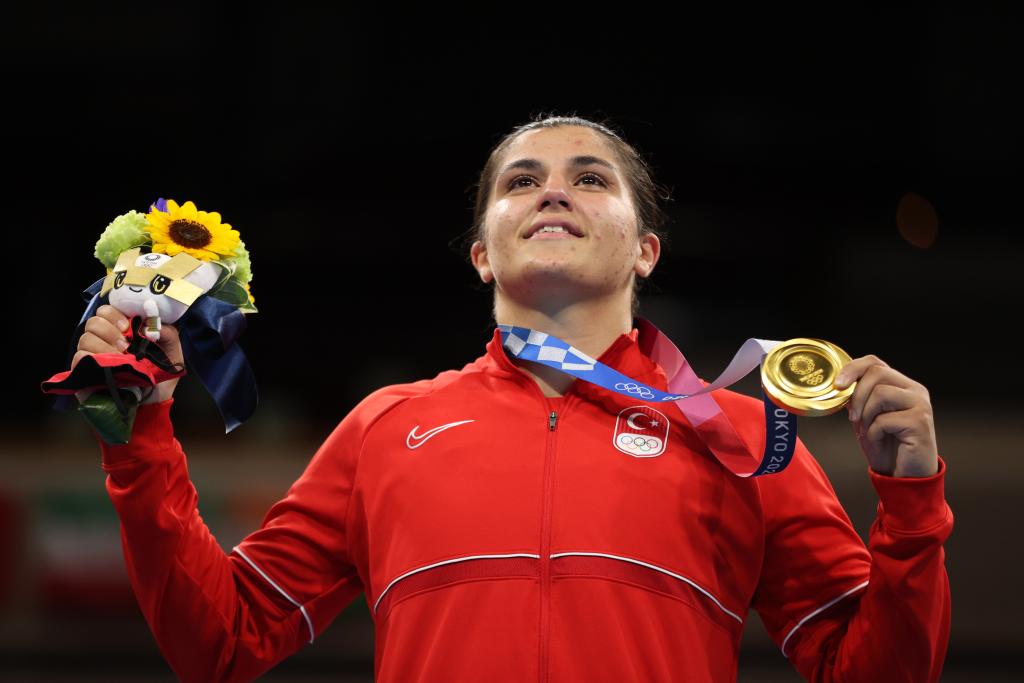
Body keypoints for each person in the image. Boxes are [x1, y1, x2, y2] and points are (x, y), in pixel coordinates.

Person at [73, 116, 952, 682]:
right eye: (520, 181)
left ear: (645, 250)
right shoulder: (388, 425)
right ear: (482, 255)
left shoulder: (742, 436)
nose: (553, 189)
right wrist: (139, 435)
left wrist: (911, 508)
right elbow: (221, 640)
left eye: (591, 178)